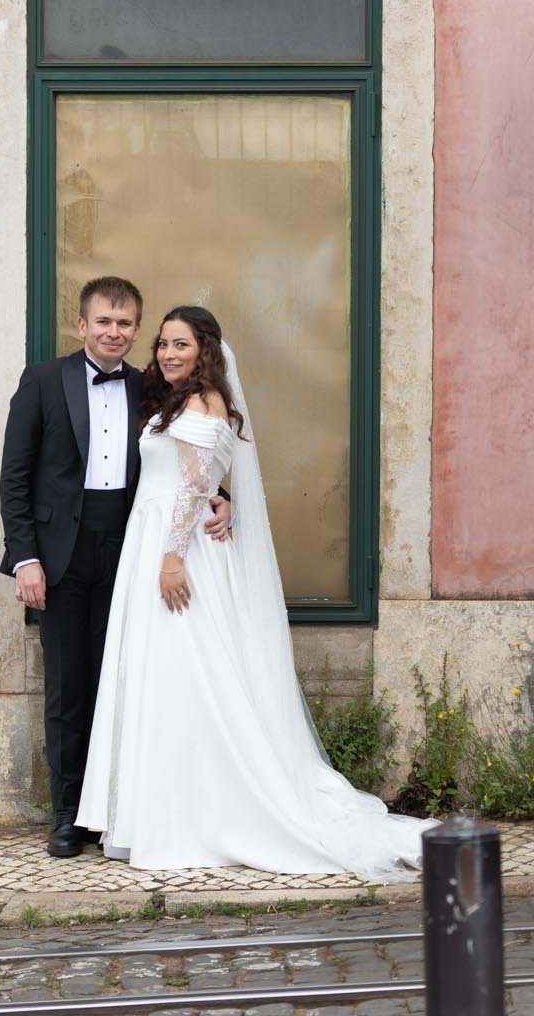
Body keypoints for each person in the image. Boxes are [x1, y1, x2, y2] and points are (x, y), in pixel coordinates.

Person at [76, 307, 432, 879]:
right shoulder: (184, 402)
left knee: (186, 676)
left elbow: (191, 486)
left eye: (181, 345)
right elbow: (200, 479)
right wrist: (222, 500)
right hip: (166, 540)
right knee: (169, 677)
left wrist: (171, 557)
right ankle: (160, 811)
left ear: (205, 352)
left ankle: (191, 816)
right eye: (164, 344)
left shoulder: (200, 402)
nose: (168, 353)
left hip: (178, 553)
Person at [0, 277, 229, 858]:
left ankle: (113, 812)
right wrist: (26, 557)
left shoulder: (151, 386)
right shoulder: (43, 380)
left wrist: (220, 497)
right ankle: (68, 816)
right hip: (60, 557)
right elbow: (15, 475)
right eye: (104, 322)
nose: (114, 333)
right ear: (82, 325)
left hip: (130, 550)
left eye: (126, 324)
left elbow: (187, 455)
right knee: (67, 687)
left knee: (122, 683)